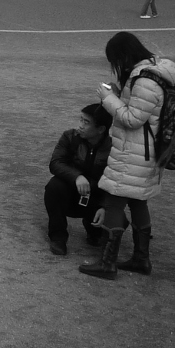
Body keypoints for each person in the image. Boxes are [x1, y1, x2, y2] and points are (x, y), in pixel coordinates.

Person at [80, 31, 175, 279]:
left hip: (133, 153)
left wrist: (108, 99)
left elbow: (133, 119)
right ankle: (140, 259)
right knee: (138, 201)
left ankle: (108, 263)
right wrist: (118, 93)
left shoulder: (144, 80)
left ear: (124, 55)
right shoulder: (151, 73)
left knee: (115, 200)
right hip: (143, 152)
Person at [45, 104, 113, 255]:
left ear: (101, 129)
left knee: (114, 224)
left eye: (86, 122)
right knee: (54, 186)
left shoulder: (113, 148)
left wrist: (105, 206)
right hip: (71, 192)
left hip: (95, 197)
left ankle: (94, 230)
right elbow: (55, 163)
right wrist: (77, 176)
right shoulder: (70, 137)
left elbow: (116, 181)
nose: (80, 125)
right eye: (81, 120)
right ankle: (58, 237)